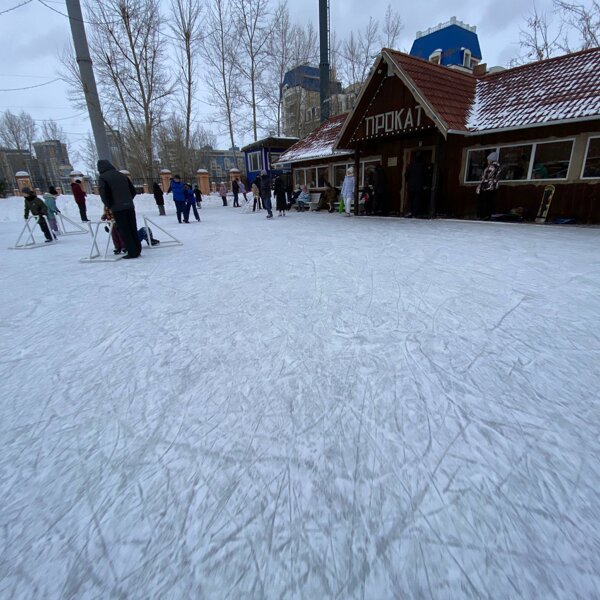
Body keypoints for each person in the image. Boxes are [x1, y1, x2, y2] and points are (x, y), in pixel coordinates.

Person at [97, 160, 142, 259]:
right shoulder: (122, 175)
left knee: (124, 230)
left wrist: (109, 205)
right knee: (132, 228)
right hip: (129, 206)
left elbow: (104, 194)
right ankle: (137, 250)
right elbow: (133, 191)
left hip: (118, 209)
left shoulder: (103, 178)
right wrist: (128, 200)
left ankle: (132, 252)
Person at [476, 151, 501, 220]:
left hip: (487, 186)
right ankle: (487, 215)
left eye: (488, 159)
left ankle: (484, 215)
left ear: (491, 159)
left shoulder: (492, 166)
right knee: (490, 201)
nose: (487, 160)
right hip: (493, 186)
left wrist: (480, 185)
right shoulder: (498, 166)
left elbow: (486, 177)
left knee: (485, 201)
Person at [405, 152, 428, 218]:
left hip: (411, 186)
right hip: (419, 186)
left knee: (410, 199)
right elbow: (425, 176)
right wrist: (425, 184)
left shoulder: (410, 166)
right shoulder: (423, 166)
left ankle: (410, 212)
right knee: (417, 200)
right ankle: (415, 213)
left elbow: (406, 176)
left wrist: (408, 181)